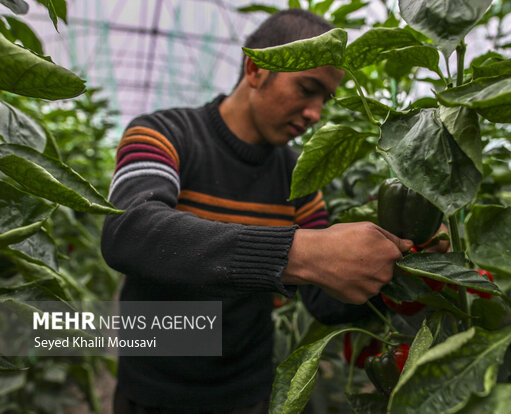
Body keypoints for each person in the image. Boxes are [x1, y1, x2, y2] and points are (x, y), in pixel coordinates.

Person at [101, 9, 421, 414]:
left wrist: (403, 263)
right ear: (256, 69)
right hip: (152, 392)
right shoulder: (163, 134)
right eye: (307, 89)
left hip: (248, 391)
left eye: (324, 98)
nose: (315, 114)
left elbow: (322, 300)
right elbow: (129, 231)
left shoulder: (297, 176)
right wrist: (300, 252)